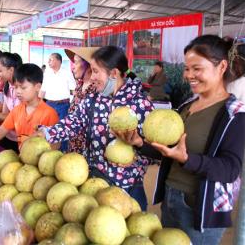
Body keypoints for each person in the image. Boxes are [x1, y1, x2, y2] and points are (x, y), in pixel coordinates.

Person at [119, 35, 245, 244]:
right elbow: (169, 150)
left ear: (222, 66)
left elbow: (230, 169)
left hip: (199, 208)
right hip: (171, 197)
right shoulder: (186, 106)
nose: (189, 75)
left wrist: (188, 159)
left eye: (197, 68)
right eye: (187, 68)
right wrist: (140, 143)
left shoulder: (235, 114)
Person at [39, 46, 154, 210]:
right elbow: (74, 122)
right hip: (93, 181)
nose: (91, 77)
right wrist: (48, 133)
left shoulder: (141, 105)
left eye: (95, 71)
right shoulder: (93, 99)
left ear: (114, 74)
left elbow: (156, 151)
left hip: (127, 188)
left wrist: (138, 146)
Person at [0, 63, 59, 158]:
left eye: (23, 87)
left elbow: (55, 146)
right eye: (16, 87)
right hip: (22, 161)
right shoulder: (17, 111)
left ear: (37, 87)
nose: (18, 91)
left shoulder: (49, 114)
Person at [64, 47, 98, 154]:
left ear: (89, 66)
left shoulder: (96, 89)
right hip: (73, 143)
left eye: (76, 62)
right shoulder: (79, 85)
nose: (73, 67)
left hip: (89, 149)